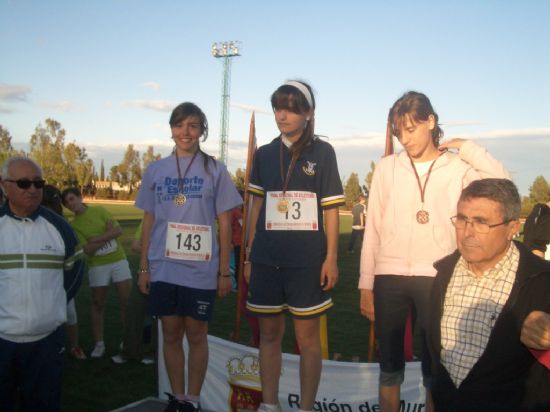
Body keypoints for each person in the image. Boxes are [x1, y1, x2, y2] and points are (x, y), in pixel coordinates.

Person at [358, 91, 510, 412]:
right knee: (388, 369)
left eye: (411, 129)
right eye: (399, 132)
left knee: (434, 372)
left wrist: (468, 148)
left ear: (431, 121)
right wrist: (365, 283)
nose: (405, 139)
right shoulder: (387, 168)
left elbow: (502, 185)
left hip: (437, 277)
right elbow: (373, 226)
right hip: (389, 278)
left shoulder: (457, 168)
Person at [245, 80, 345, 412]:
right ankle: (269, 405)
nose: (282, 115)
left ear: (309, 113)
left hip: (307, 263)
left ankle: (306, 407)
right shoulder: (265, 153)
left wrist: (331, 258)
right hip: (267, 259)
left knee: (307, 341)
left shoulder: (323, 152)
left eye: (291, 108)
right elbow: (256, 207)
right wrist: (247, 254)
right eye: (277, 107)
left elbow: (331, 208)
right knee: (269, 336)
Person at [136, 102, 242, 412]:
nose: (186, 132)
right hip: (164, 267)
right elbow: (148, 221)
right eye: (180, 125)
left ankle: (192, 400)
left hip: (200, 270)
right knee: (170, 332)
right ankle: (177, 396)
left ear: (202, 131)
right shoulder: (155, 169)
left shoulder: (215, 169)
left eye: (193, 126)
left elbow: (225, 222)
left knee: (197, 333)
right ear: (171, 129)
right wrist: (144, 267)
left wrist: (224, 271)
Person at [428, 178, 550, 411]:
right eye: (462, 219)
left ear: (512, 228)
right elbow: (435, 362)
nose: (467, 233)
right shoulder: (442, 274)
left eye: (481, 222)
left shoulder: (542, 281)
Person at [0, 157, 84, 411]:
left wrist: (51, 306)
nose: (33, 189)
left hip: (47, 343)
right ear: (4, 186)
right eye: (24, 183)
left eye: (39, 183)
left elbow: (75, 272)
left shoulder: (59, 227)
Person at [61, 186, 132, 358]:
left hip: (118, 260)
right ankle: (99, 344)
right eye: (66, 203)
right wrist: (108, 234)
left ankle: (128, 341)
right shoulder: (74, 225)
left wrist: (97, 238)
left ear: (80, 197)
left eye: (72, 199)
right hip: (98, 265)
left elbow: (118, 231)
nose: (70, 204)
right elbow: (88, 250)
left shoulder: (99, 210)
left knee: (126, 302)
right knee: (98, 304)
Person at [42, 184, 87, 360]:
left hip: (61, 277)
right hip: (44, 278)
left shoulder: (61, 224)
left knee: (69, 313)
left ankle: (74, 346)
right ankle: (51, 347)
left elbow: (76, 259)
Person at [111, 220, 156, 365]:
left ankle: (153, 353)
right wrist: (157, 250)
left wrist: (149, 249)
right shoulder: (147, 220)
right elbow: (135, 245)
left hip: (166, 272)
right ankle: (130, 351)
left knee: (161, 316)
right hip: (146, 270)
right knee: (133, 310)